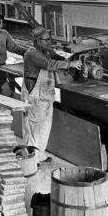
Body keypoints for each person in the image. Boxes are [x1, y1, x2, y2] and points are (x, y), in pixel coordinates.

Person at [21, 27, 81, 162]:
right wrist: (69, 64)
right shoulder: (32, 53)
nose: (49, 42)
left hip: (46, 95)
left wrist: (68, 60)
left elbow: (55, 57)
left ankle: (39, 156)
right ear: (37, 41)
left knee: (44, 127)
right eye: (46, 40)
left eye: (50, 39)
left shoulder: (45, 51)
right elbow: (49, 64)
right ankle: (30, 160)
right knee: (34, 128)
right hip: (35, 97)